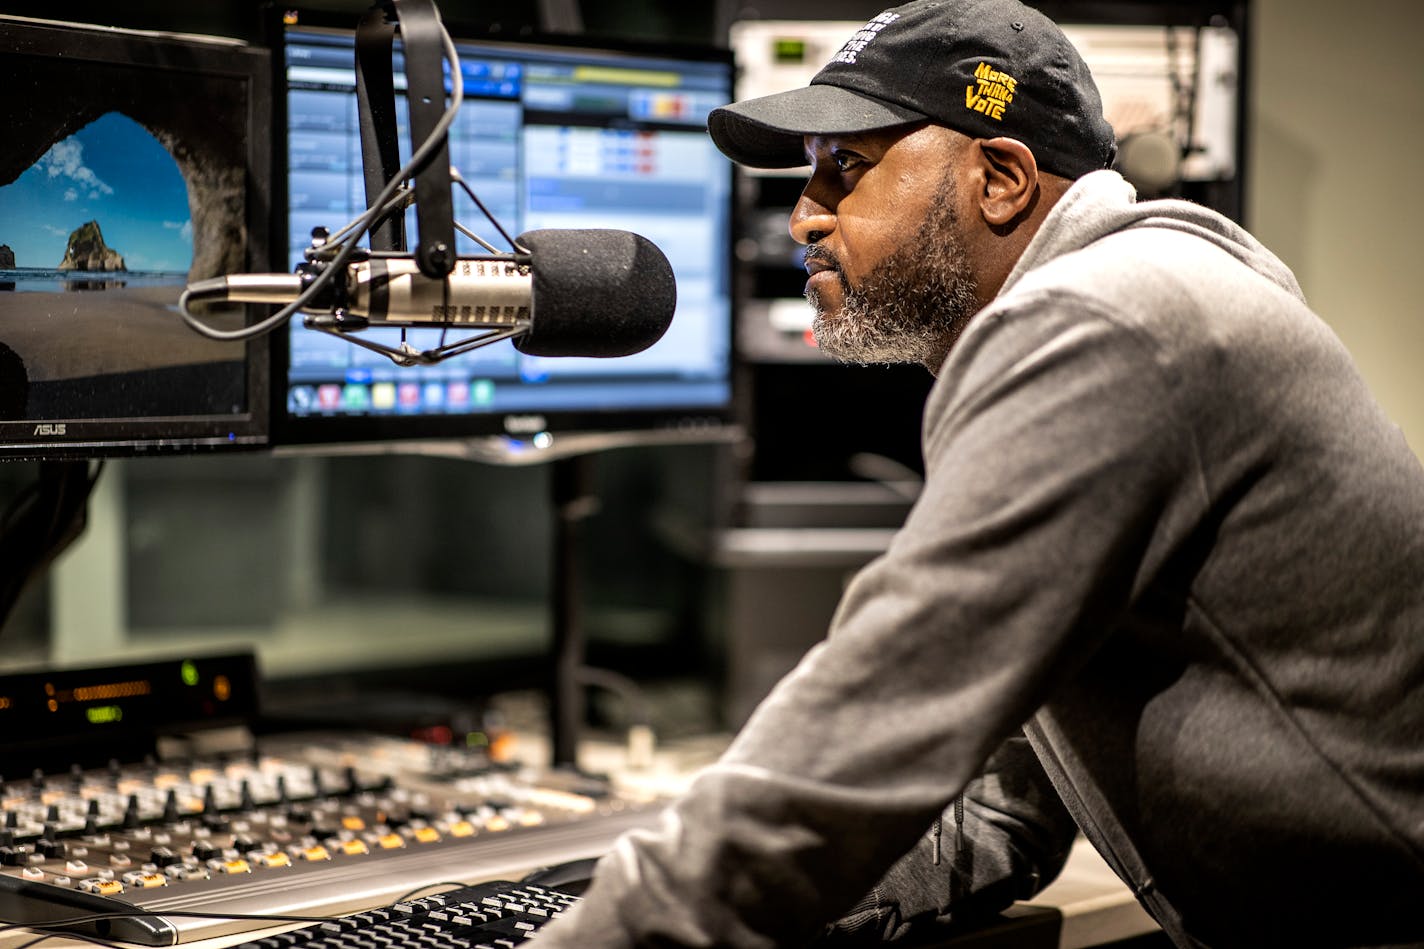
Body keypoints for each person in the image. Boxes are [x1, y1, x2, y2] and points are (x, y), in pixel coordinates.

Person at [529, 1, 1424, 946]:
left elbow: (877, 725)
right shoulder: (1122, 306)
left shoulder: (1113, 326)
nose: (802, 216)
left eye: (847, 169)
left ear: (1000, 179)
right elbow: (1012, 800)